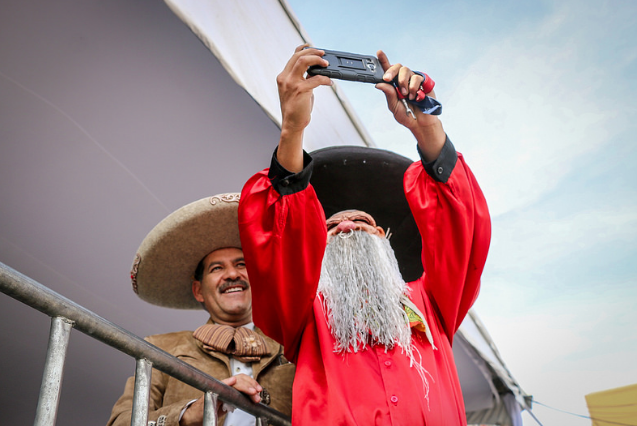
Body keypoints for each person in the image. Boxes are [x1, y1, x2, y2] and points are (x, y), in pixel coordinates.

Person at [238, 45, 491, 425]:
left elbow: (461, 225)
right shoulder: (303, 315)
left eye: (361, 222)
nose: (346, 226)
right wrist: (292, 129)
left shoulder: (432, 302)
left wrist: (427, 126)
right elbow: (277, 241)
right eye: (331, 227)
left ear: (383, 238)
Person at [107, 194, 294, 426]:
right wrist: (190, 413)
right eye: (217, 268)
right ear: (198, 291)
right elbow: (120, 422)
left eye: (241, 264)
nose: (232, 274)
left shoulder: (294, 345)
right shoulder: (161, 348)